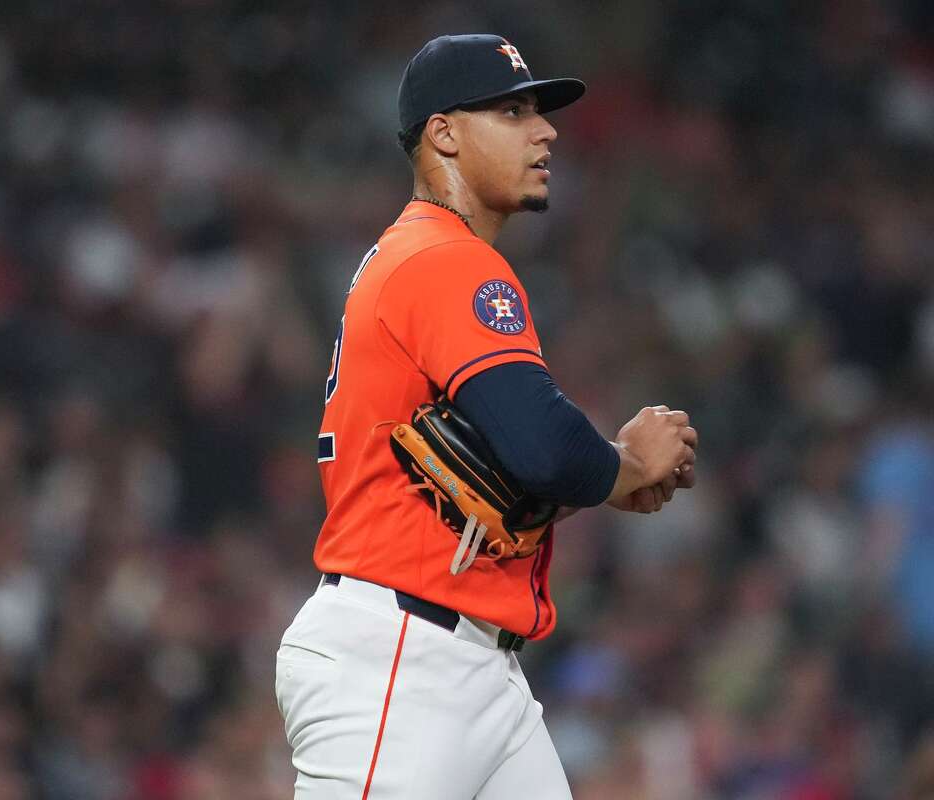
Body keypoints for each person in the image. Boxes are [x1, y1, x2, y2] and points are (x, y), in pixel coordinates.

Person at [276, 34, 697, 799]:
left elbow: (516, 463)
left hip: (473, 664)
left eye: (538, 111)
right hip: (400, 661)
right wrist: (626, 462)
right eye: (511, 111)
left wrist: (594, 476)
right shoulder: (444, 256)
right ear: (443, 133)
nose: (546, 131)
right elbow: (541, 444)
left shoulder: (413, 256)